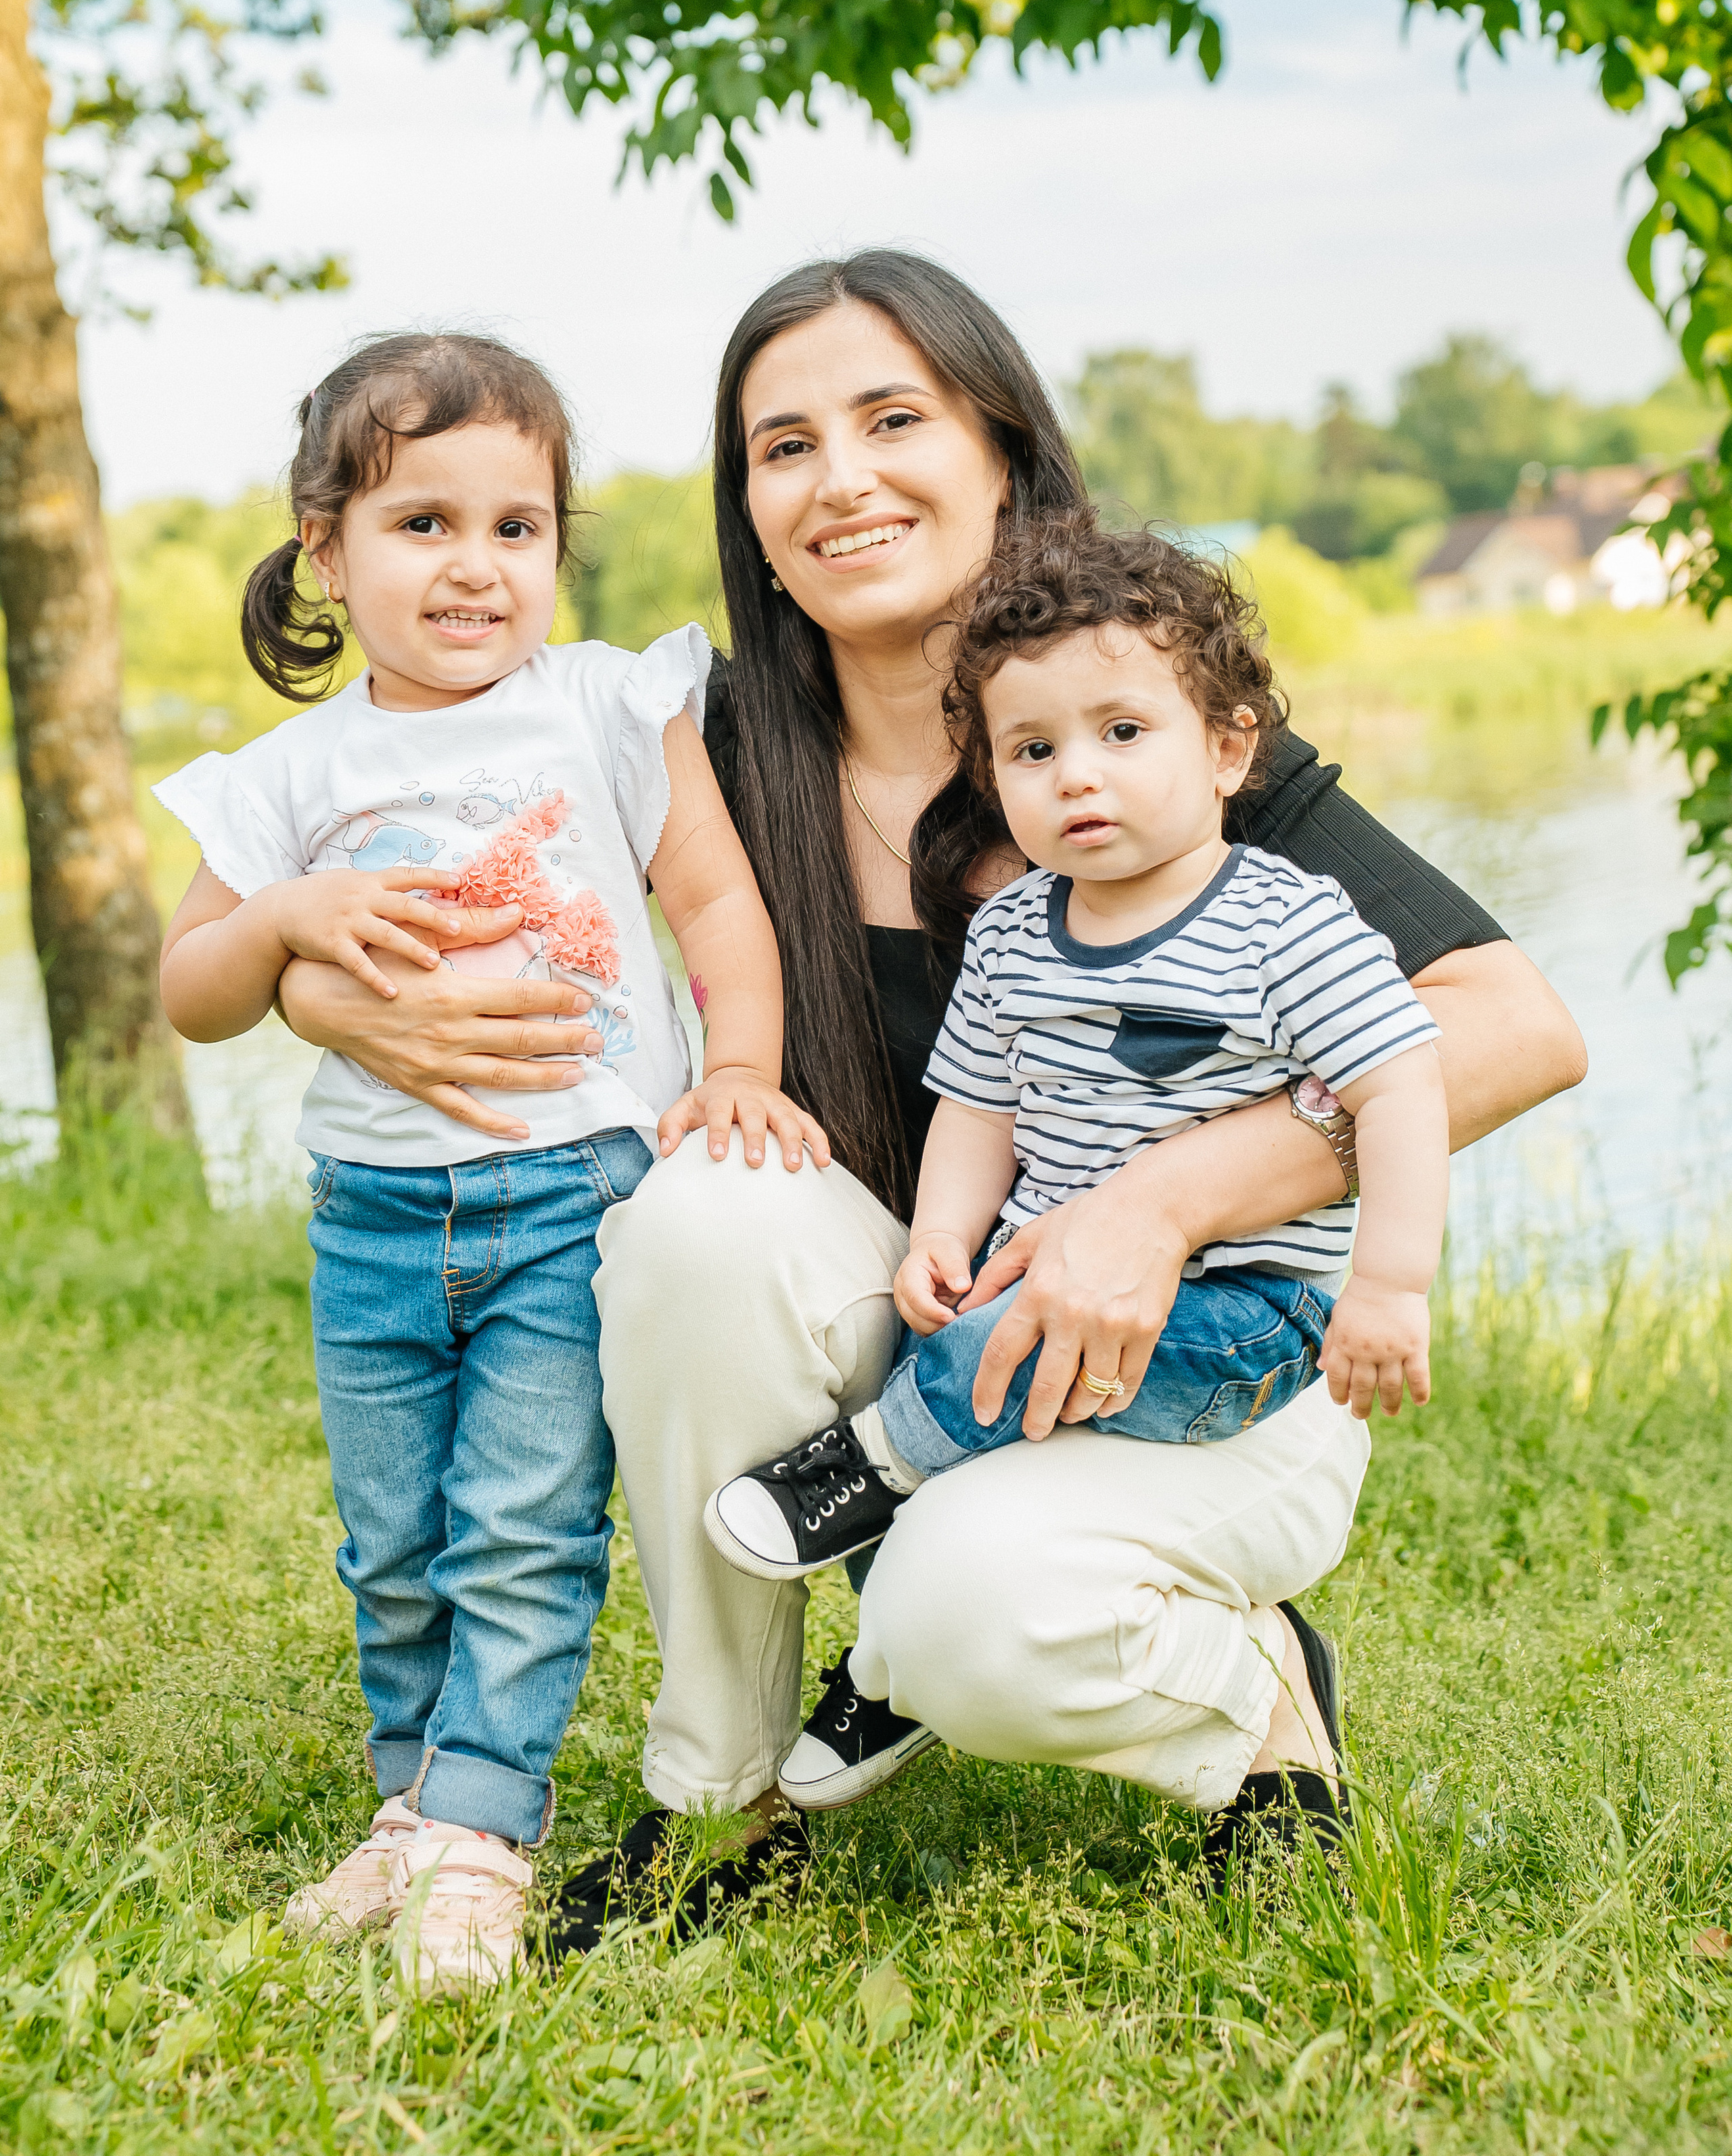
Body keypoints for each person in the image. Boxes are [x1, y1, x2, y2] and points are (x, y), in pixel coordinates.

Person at [269, 256, 1587, 1943]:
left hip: (1195, 1353)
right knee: (696, 1215)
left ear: (1000, 451)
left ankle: (1253, 1708)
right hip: (917, 1319)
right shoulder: (702, 740)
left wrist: (1166, 1198)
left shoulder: (1124, 724)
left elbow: (1509, 1024)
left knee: (968, 1631)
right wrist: (316, 984)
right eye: (783, 444)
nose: (841, 480)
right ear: (746, 507)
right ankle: (724, 1806)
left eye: (893, 420)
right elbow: (409, 858)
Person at [153, 332, 824, 1996]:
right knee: (392, 1537)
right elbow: (194, 992)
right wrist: (292, 918)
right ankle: (412, 1810)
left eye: (515, 528)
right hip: (373, 1219)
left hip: (571, 1197)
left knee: (518, 1522)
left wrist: (735, 1065)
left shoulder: (606, 701)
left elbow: (718, 907)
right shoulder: (288, 777)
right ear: (325, 546)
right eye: (422, 525)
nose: (476, 568)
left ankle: (485, 1832)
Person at [702, 510, 1448, 1593]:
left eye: (1124, 733)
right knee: (956, 1325)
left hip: (1247, 1317)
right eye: (1034, 750)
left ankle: (869, 1468)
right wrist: (944, 1239)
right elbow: (977, 1109)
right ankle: (893, 1660)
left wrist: (1390, 1286)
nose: (1078, 776)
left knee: (989, 1357)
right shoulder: (1011, 931)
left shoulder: (1287, 922)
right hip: (1037, 1274)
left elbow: (1404, 1091)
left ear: (1229, 750)